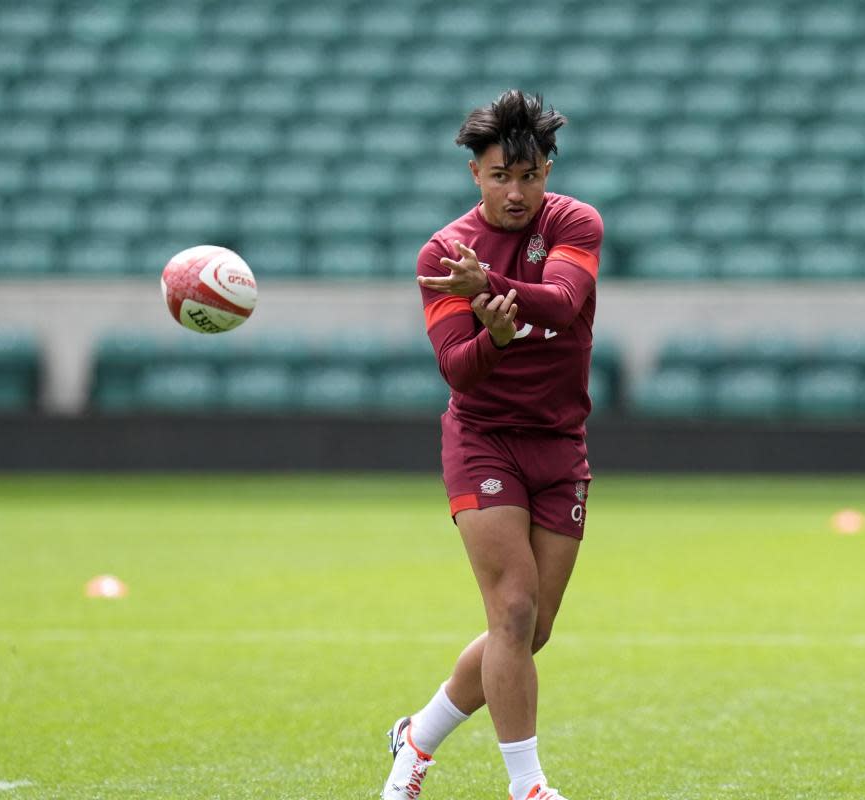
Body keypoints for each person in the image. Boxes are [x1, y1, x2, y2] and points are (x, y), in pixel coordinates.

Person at [381, 90, 603, 800]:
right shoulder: (444, 253)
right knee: (510, 610)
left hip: (560, 444)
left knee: (530, 632)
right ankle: (528, 787)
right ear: (475, 173)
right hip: (483, 440)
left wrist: (498, 288)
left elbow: (565, 303)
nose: (517, 190)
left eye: (530, 175)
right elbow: (455, 367)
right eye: (501, 175)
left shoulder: (575, 221)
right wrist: (495, 339)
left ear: (549, 171)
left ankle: (417, 737)